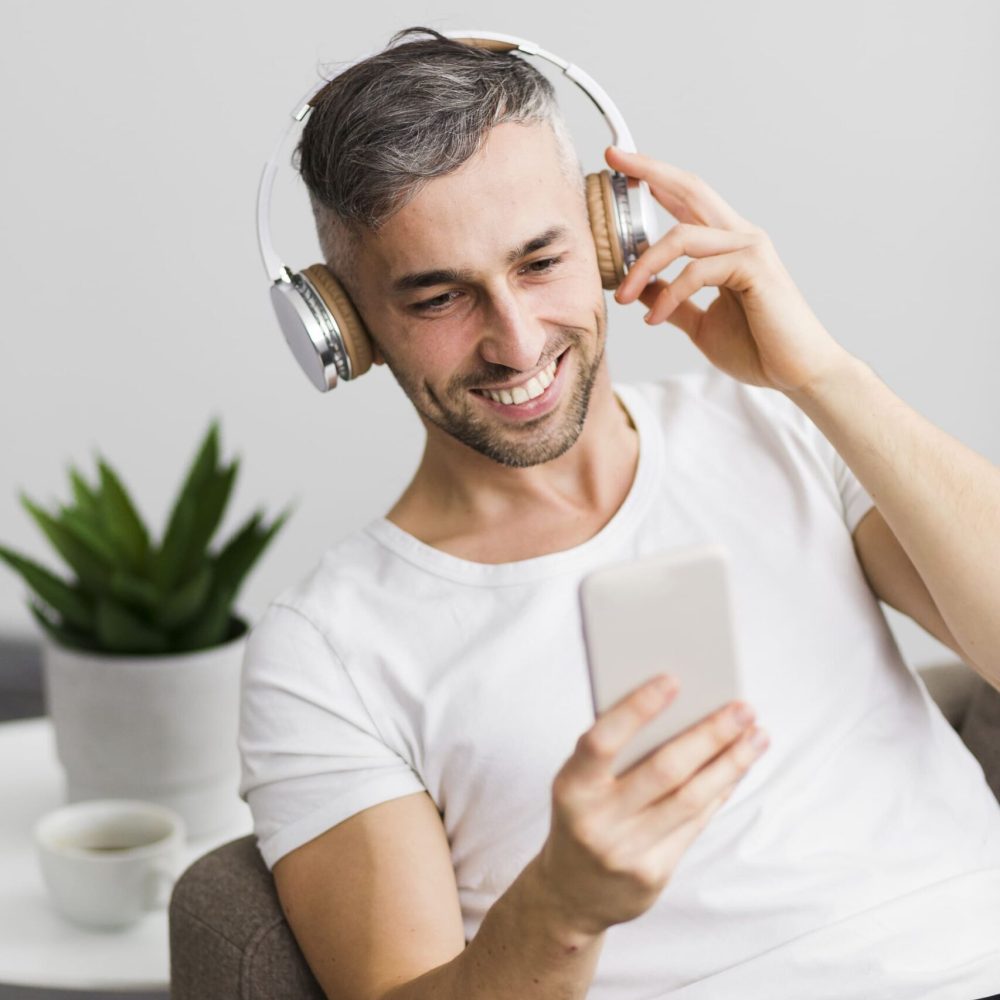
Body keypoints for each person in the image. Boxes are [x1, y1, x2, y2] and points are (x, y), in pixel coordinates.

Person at [237, 26, 1000, 1000]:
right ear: (346, 327)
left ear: (612, 234)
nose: (515, 344)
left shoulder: (779, 429)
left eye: (541, 262)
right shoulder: (328, 646)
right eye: (438, 297)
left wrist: (822, 375)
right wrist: (560, 907)